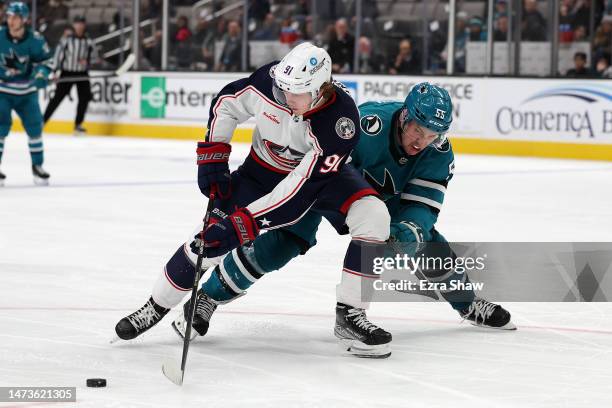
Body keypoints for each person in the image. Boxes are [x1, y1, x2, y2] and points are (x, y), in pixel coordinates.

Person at [167, 82, 516, 355]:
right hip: (329, 187)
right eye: (418, 131)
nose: (421, 142)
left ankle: (466, 304)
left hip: (381, 202)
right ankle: (207, 298)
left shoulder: (437, 151)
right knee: (282, 242)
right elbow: (324, 164)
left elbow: (422, 205)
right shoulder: (368, 124)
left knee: (424, 240)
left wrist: (408, 231)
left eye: (431, 135)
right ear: (406, 117)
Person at [115, 42, 393, 358]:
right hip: (258, 174)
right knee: (204, 241)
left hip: (320, 182)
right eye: (283, 88)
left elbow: (298, 192)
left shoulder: (341, 122)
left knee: (374, 215)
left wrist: (244, 223)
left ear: (319, 90)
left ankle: (350, 315)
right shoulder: (269, 82)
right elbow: (228, 103)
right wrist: (214, 155)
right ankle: (156, 305)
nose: (287, 98)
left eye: (297, 92)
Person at [0, 2, 52, 187]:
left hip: (27, 93)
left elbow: (46, 62)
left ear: (24, 19)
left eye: (15, 17)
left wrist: (41, 75)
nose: (10, 20)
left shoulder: (36, 40)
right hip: (2, 93)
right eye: (9, 16)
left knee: (35, 129)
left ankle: (37, 166)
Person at [43, 16, 97, 136]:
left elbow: (95, 57)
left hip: (82, 73)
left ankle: (78, 125)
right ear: (74, 25)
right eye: (77, 23)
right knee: (57, 98)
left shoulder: (88, 41)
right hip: (67, 72)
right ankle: (42, 122)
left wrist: (87, 62)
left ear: (84, 25)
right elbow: (58, 55)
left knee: (85, 98)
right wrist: (55, 71)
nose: (79, 26)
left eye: (81, 23)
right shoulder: (66, 40)